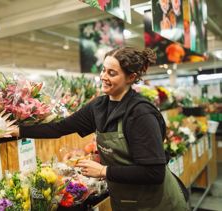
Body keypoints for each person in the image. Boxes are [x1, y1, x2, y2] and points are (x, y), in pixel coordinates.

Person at [16, 46, 189, 211]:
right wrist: (18, 131)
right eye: (103, 70)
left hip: (157, 203)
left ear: (131, 77)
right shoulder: (99, 107)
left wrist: (103, 170)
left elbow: (154, 172)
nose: (103, 76)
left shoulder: (140, 114)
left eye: (111, 73)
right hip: (125, 200)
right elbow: (59, 128)